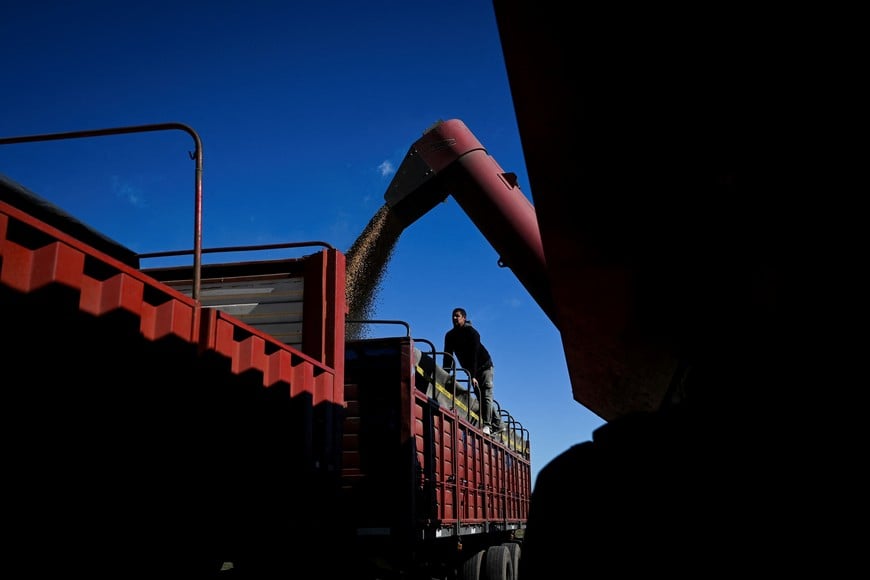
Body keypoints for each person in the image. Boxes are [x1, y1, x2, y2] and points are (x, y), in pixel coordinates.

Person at [443, 307, 500, 434]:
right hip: (472, 371)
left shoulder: (472, 333)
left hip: (485, 366)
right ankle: (499, 424)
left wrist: (473, 375)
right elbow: (447, 356)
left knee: (486, 394)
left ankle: (487, 425)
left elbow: (473, 355)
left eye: (457, 316)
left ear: (464, 317)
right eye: (453, 316)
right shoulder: (450, 336)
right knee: (481, 397)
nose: (454, 318)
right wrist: (444, 375)